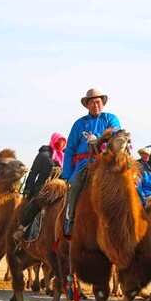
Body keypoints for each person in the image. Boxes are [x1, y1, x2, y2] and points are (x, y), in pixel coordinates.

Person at [61, 89, 121, 237]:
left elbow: (117, 134)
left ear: (103, 103)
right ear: (87, 105)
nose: (96, 105)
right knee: (74, 186)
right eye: (92, 102)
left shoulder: (110, 119)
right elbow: (69, 150)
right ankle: (70, 219)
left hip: (106, 162)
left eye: (98, 101)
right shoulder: (79, 124)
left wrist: (100, 138)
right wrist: (67, 174)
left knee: (128, 185)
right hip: (84, 164)